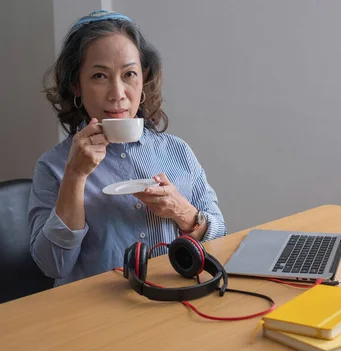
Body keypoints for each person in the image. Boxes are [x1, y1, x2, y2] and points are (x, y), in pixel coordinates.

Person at [28, 10, 227, 286]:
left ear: (143, 79)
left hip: (175, 301)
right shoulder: (53, 166)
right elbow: (52, 265)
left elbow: (220, 237)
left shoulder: (177, 151)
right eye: (99, 76)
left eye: (129, 74)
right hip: (93, 317)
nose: (118, 93)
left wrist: (182, 212)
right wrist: (74, 175)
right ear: (76, 85)